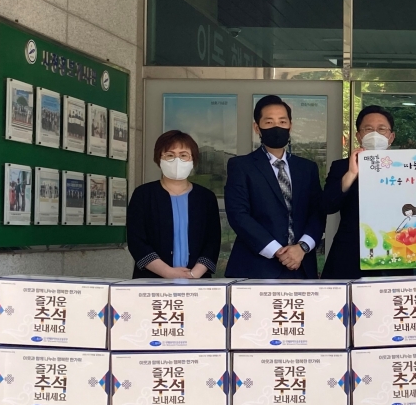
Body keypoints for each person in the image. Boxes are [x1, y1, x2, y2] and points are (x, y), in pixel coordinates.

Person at [225, 95, 325, 279]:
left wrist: (302, 248)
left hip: (301, 266)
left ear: (290, 126)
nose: (277, 127)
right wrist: (278, 251)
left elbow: (317, 213)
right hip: (256, 267)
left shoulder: (307, 168)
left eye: (282, 121)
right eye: (269, 122)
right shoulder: (241, 166)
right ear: (257, 127)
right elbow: (238, 215)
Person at [126, 130, 221, 279]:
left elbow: (213, 241)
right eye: (170, 155)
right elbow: (136, 240)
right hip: (152, 281)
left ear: (193, 159)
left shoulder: (205, 197)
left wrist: (194, 274)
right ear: (159, 158)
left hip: (197, 281)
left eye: (183, 155)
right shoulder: (144, 194)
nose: (177, 161)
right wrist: (168, 272)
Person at [322, 105, 400, 279]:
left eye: (382, 129)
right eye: (368, 129)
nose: (375, 134)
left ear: (391, 137)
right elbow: (327, 205)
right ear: (358, 136)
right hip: (350, 256)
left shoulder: (406, 168)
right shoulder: (342, 167)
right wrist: (351, 174)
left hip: (397, 254)